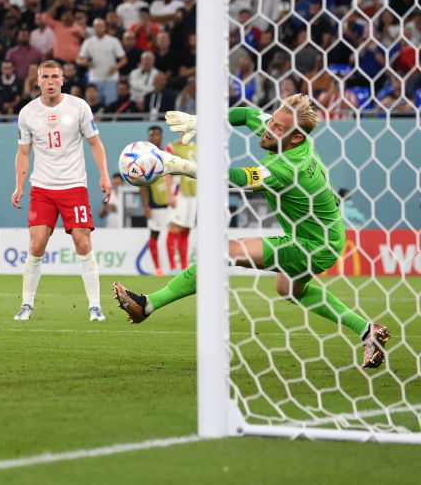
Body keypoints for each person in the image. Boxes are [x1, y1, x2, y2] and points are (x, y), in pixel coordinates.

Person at [113, 99, 391, 370]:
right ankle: (368, 331)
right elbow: (246, 114)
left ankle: (146, 305)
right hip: (325, 234)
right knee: (289, 291)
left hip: (314, 245)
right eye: (272, 121)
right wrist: (201, 123)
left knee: (224, 252)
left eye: (279, 129)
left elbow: (232, 179)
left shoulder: (287, 167)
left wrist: (179, 165)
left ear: (294, 139)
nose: (269, 128)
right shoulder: (282, 132)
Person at [11, 60, 112, 322]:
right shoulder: (27, 113)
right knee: (36, 245)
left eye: (55, 76)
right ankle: (26, 305)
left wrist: (104, 175)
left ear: (62, 79)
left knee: (83, 242)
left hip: (73, 186)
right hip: (42, 188)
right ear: (38, 81)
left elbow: (95, 143)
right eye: (45, 77)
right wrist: (20, 185)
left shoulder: (79, 107)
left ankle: (95, 306)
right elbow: (23, 153)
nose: (50, 81)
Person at [139, 125, 172, 275]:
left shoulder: (168, 154)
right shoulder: (144, 159)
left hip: (172, 202)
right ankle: (158, 268)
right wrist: (146, 205)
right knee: (155, 233)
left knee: (174, 234)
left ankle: (175, 266)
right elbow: (142, 184)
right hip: (155, 204)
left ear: (161, 136)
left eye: (156, 134)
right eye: (151, 135)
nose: (154, 137)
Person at [165, 135, 196, 271]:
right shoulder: (172, 147)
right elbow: (168, 172)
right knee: (174, 226)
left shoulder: (198, 148)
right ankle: (172, 267)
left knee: (186, 229)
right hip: (179, 191)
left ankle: (184, 266)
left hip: (193, 193)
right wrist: (169, 194)